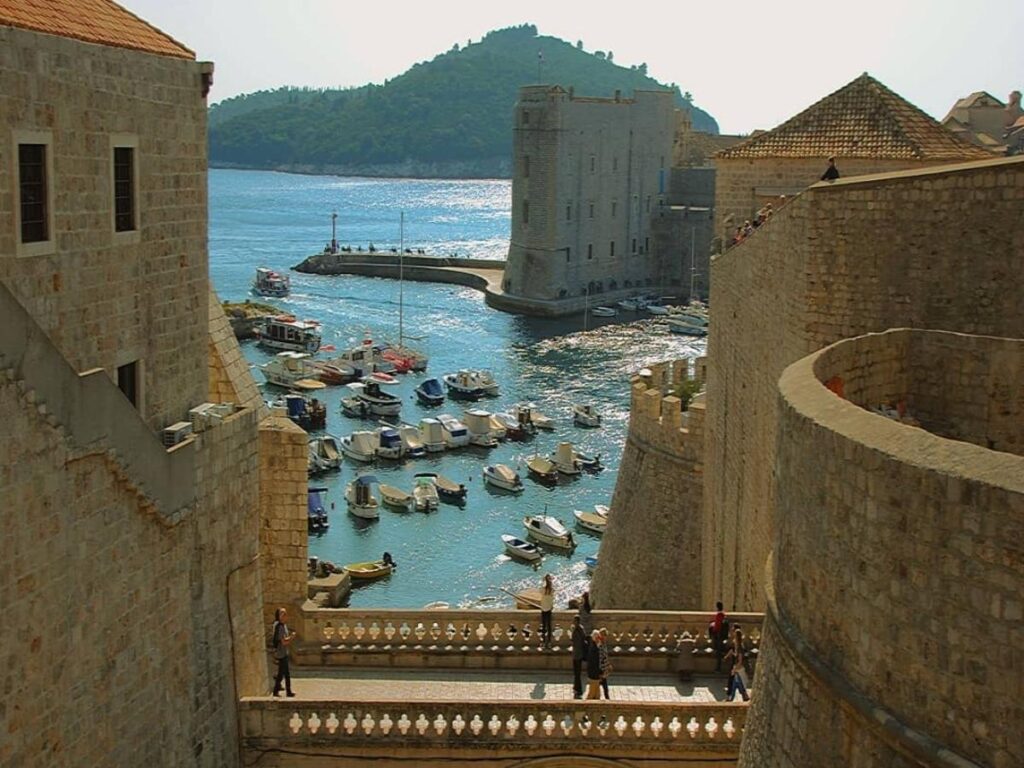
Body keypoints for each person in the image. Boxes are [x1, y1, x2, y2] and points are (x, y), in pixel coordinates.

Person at [271, 607, 297, 697]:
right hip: (281, 653)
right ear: (279, 616)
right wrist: (292, 637)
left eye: (285, 614)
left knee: (284, 673)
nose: (285, 616)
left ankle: (284, 691)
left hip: (284, 652)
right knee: (283, 674)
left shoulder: (283, 625)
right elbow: (283, 641)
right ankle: (281, 691)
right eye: (283, 614)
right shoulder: (280, 627)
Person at [723, 626, 750, 702]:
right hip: (736, 668)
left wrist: (734, 670)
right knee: (736, 683)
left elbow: (740, 661)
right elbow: (735, 654)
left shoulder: (740, 647)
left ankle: (731, 698)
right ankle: (743, 696)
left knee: (735, 683)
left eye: (734, 635)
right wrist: (730, 654)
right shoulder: (736, 646)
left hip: (739, 669)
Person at [709, 601, 729, 672]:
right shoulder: (724, 614)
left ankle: (718, 668)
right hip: (723, 635)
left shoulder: (719, 615)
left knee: (718, 652)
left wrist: (712, 629)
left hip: (718, 635)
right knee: (721, 651)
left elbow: (717, 626)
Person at [571, 616, 588, 699]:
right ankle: (576, 688)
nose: (573, 622)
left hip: (578, 654)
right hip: (576, 654)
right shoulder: (578, 629)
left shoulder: (579, 629)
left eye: (574, 621)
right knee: (576, 673)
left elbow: (579, 641)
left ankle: (578, 690)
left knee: (577, 673)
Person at [585, 630, 604, 699]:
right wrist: (600, 672)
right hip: (594, 675)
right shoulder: (594, 648)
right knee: (592, 694)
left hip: (594, 674)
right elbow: (595, 663)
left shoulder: (593, 646)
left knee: (597, 694)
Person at [539, 574, 554, 649]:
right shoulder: (552, 589)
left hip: (543, 608)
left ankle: (543, 642)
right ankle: (549, 642)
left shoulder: (543, 589)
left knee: (544, 626)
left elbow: (540, 591)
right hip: (549, 609)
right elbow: (552, 599)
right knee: (549, 626)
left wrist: (543, 581)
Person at [598, 627, 613, 699]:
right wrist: (600, 671)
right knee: (602, 684)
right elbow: (600, 658)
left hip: (604, 668)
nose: (606, 637)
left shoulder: (604, 644)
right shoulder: (600, 645)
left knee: (602, 684)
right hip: (602, 669)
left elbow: (605, 656)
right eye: (605, 635)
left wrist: (609, 665)